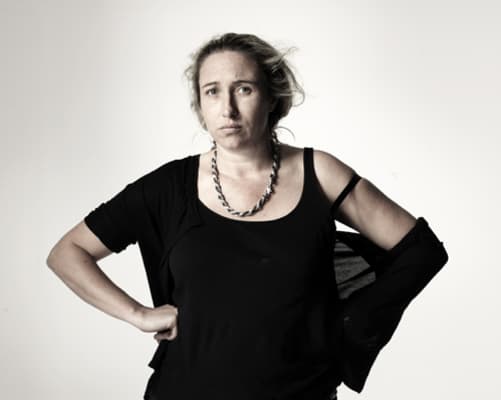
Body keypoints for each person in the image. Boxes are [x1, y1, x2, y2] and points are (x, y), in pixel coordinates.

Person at [46, 33, 449, 400]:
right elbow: (68, 252)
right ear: (200, 106)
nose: (228, 108)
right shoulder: (167, 188)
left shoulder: (320, 174)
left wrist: (350, 325)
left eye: (244, 88)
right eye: (212, 91)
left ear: (271, 97)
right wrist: (138, 314)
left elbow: (422, 251)